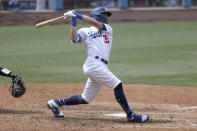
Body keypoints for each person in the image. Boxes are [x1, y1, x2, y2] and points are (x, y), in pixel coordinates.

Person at [47, 7, 150, 123]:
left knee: (85, 99)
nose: (106, 17)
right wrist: (74, 21)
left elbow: (94, 23)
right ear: (98, 15)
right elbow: (74, 38)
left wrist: (78, 15)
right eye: (105, 14)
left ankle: (55, 103)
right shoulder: (85, 31)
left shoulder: (108, 29)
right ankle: (130, 115)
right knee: (117, 84)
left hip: (100, 66)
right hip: (93, 64)